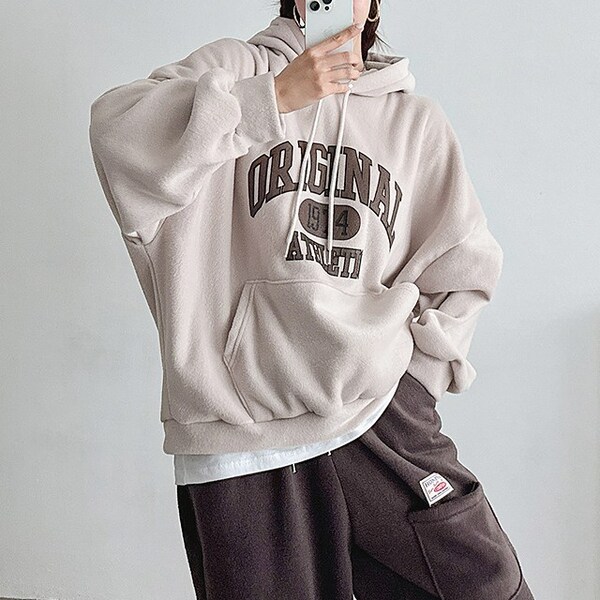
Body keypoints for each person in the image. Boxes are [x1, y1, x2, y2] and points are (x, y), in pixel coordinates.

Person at [88, 0, 535, 598]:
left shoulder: (414, 121)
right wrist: (271, 98)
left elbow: (463, 263)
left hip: (377, 417)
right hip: (242, 437)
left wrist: (415, 383)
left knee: (487, 586)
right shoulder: (234, 69)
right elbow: (117, 133)